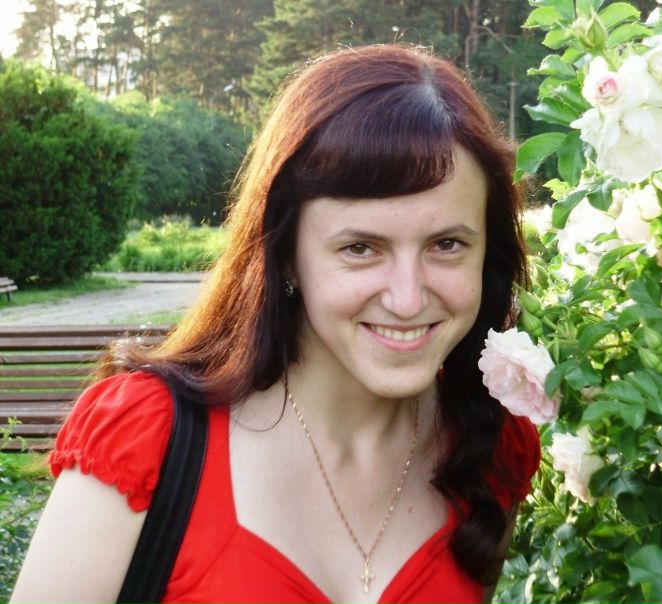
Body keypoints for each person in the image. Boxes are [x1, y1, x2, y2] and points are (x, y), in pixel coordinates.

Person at [11, 44, 539, 604]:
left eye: (447, 244)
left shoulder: (489, 446)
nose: (407, 300)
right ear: (285, 254)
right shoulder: (147, 440)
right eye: (360, 248)